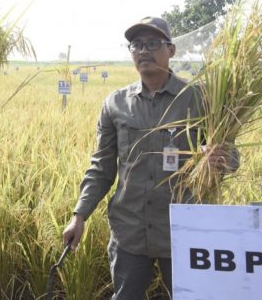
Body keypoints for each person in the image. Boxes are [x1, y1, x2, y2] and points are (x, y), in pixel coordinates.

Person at [62, 17, 238, 300]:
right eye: (136, 45)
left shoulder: (199, 98)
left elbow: (232, 156)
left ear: (171, 50)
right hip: (129, 232)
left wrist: (221, 159)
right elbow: (102, 167)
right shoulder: (115, 103)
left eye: (153, 43)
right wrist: (79, 216)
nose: (143, 51)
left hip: (183, 233)